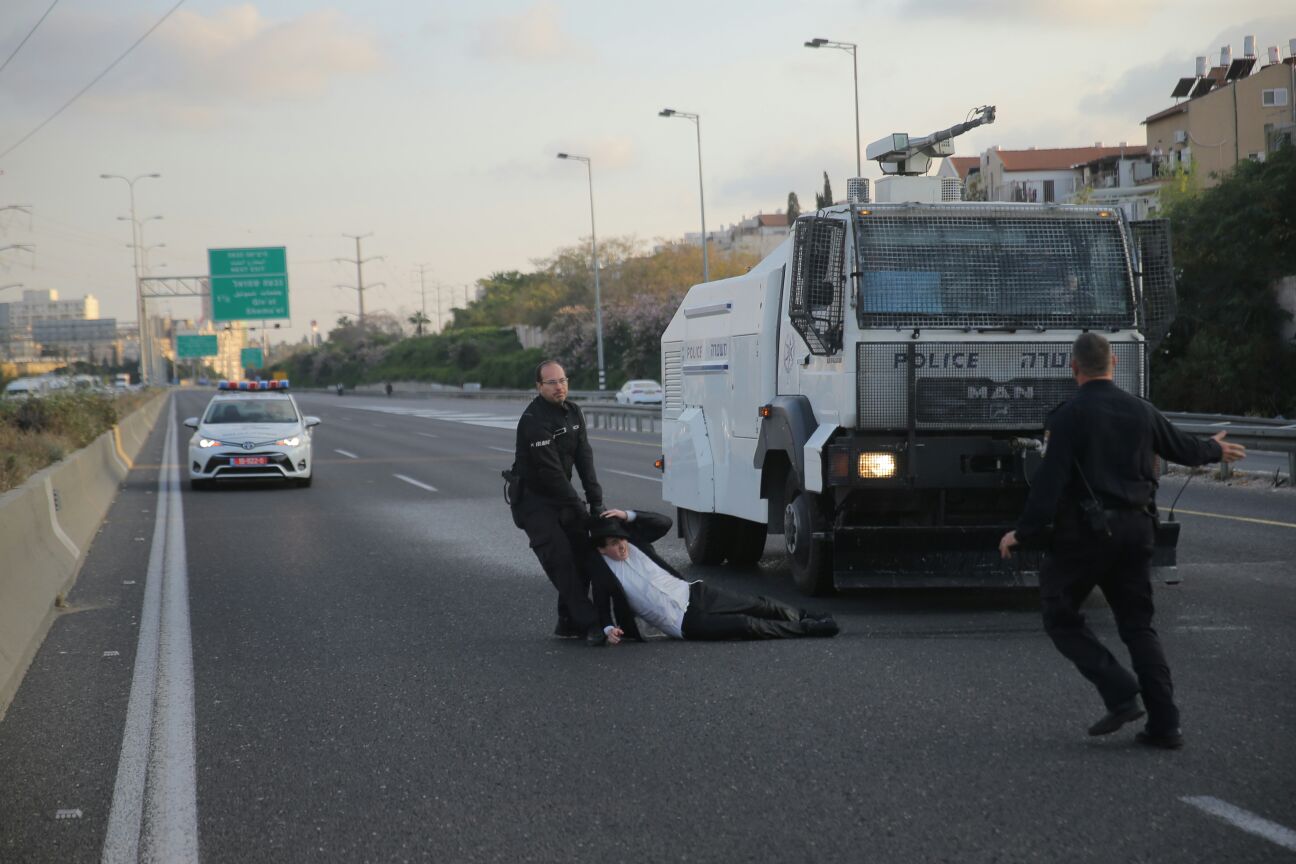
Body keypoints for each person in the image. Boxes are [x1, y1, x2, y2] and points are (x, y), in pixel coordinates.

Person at [998, 332, 1245, 749]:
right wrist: (1214, 450)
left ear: (1073, 368)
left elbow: (1048, 484)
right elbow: (1183, 448)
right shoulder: (1141, 410)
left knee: (1059, 614)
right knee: (1138, 627)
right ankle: (1166, 725)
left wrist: (1022, 533)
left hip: (1085, 536)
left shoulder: (1067, 417)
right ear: (1113, 364)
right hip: (1137, 531)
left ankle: (1119, 692)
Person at [587, 510, 839, 643]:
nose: (621, 546)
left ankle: (805, 615)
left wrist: (628, 515)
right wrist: (609, 629)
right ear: (601, 550)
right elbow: (601, 608)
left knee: (757, 604)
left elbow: (663, 523)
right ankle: (807, 629)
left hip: (694, 593)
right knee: (745, 625)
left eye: (621, 539)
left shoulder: (637, 544)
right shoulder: (603, 573)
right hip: (682, 622)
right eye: (613, 544)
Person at [511, 360, 606, 645]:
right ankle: (591, 623)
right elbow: (551, 472)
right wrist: (579, 509)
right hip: (534, 501)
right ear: (539, 386)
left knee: (583, 554)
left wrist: (596, 503)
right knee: (561, 560)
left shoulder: (573, 412)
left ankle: (567, 621)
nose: (559, 387)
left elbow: (584, 459)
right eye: (551, 382)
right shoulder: (533, 420)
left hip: (561, 497)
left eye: (562, 380)